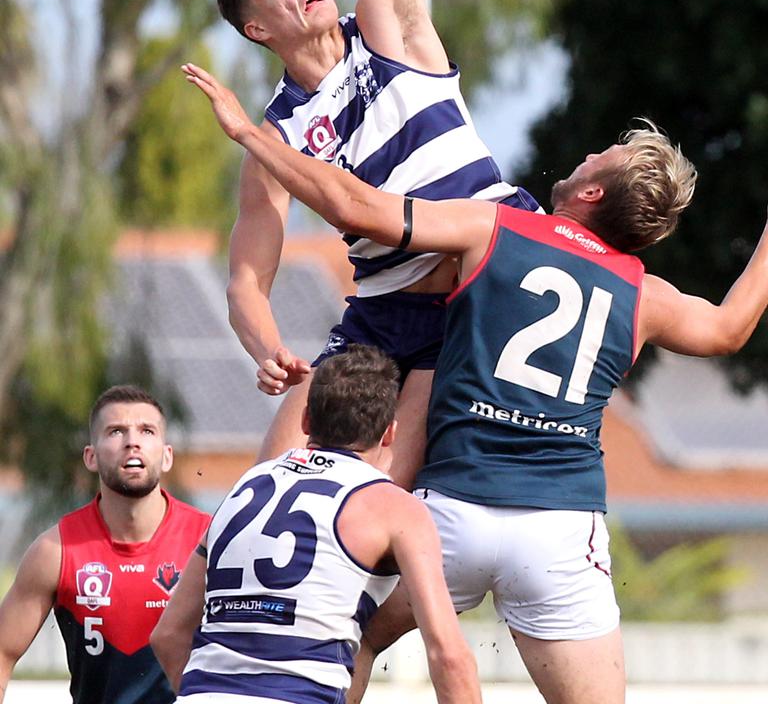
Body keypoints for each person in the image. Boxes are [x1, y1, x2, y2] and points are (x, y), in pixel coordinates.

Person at [181, 64, 768, 704]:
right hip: (557, 527)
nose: (591, 151)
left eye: (603, 155)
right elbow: (731, 328)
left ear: (593, 193)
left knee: (362, 642)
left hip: (454, 512)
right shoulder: (642, 292)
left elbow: (356, 207)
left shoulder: (496, 226)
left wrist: (252, 135)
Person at [213, 0, 540, 486]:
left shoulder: (388, 22)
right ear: (259, 30)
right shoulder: (277, 137)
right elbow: (248, 279)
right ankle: (207, 610)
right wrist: (268, 351)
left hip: (482, 264)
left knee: (393, 490)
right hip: (387, 311)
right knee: (275, 473)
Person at [150, 347, 481, 704]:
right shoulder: (393, 506)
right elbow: (449, 656)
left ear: (306, 421)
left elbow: (168, 635)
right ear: (389, 433)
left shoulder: (245, 487)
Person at [0, 385, 210, 704]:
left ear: (167, 456)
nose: (132, 441)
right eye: (116, 431)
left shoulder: (210, 539)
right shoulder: (56, 550)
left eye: (147, 430)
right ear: (91, 457)